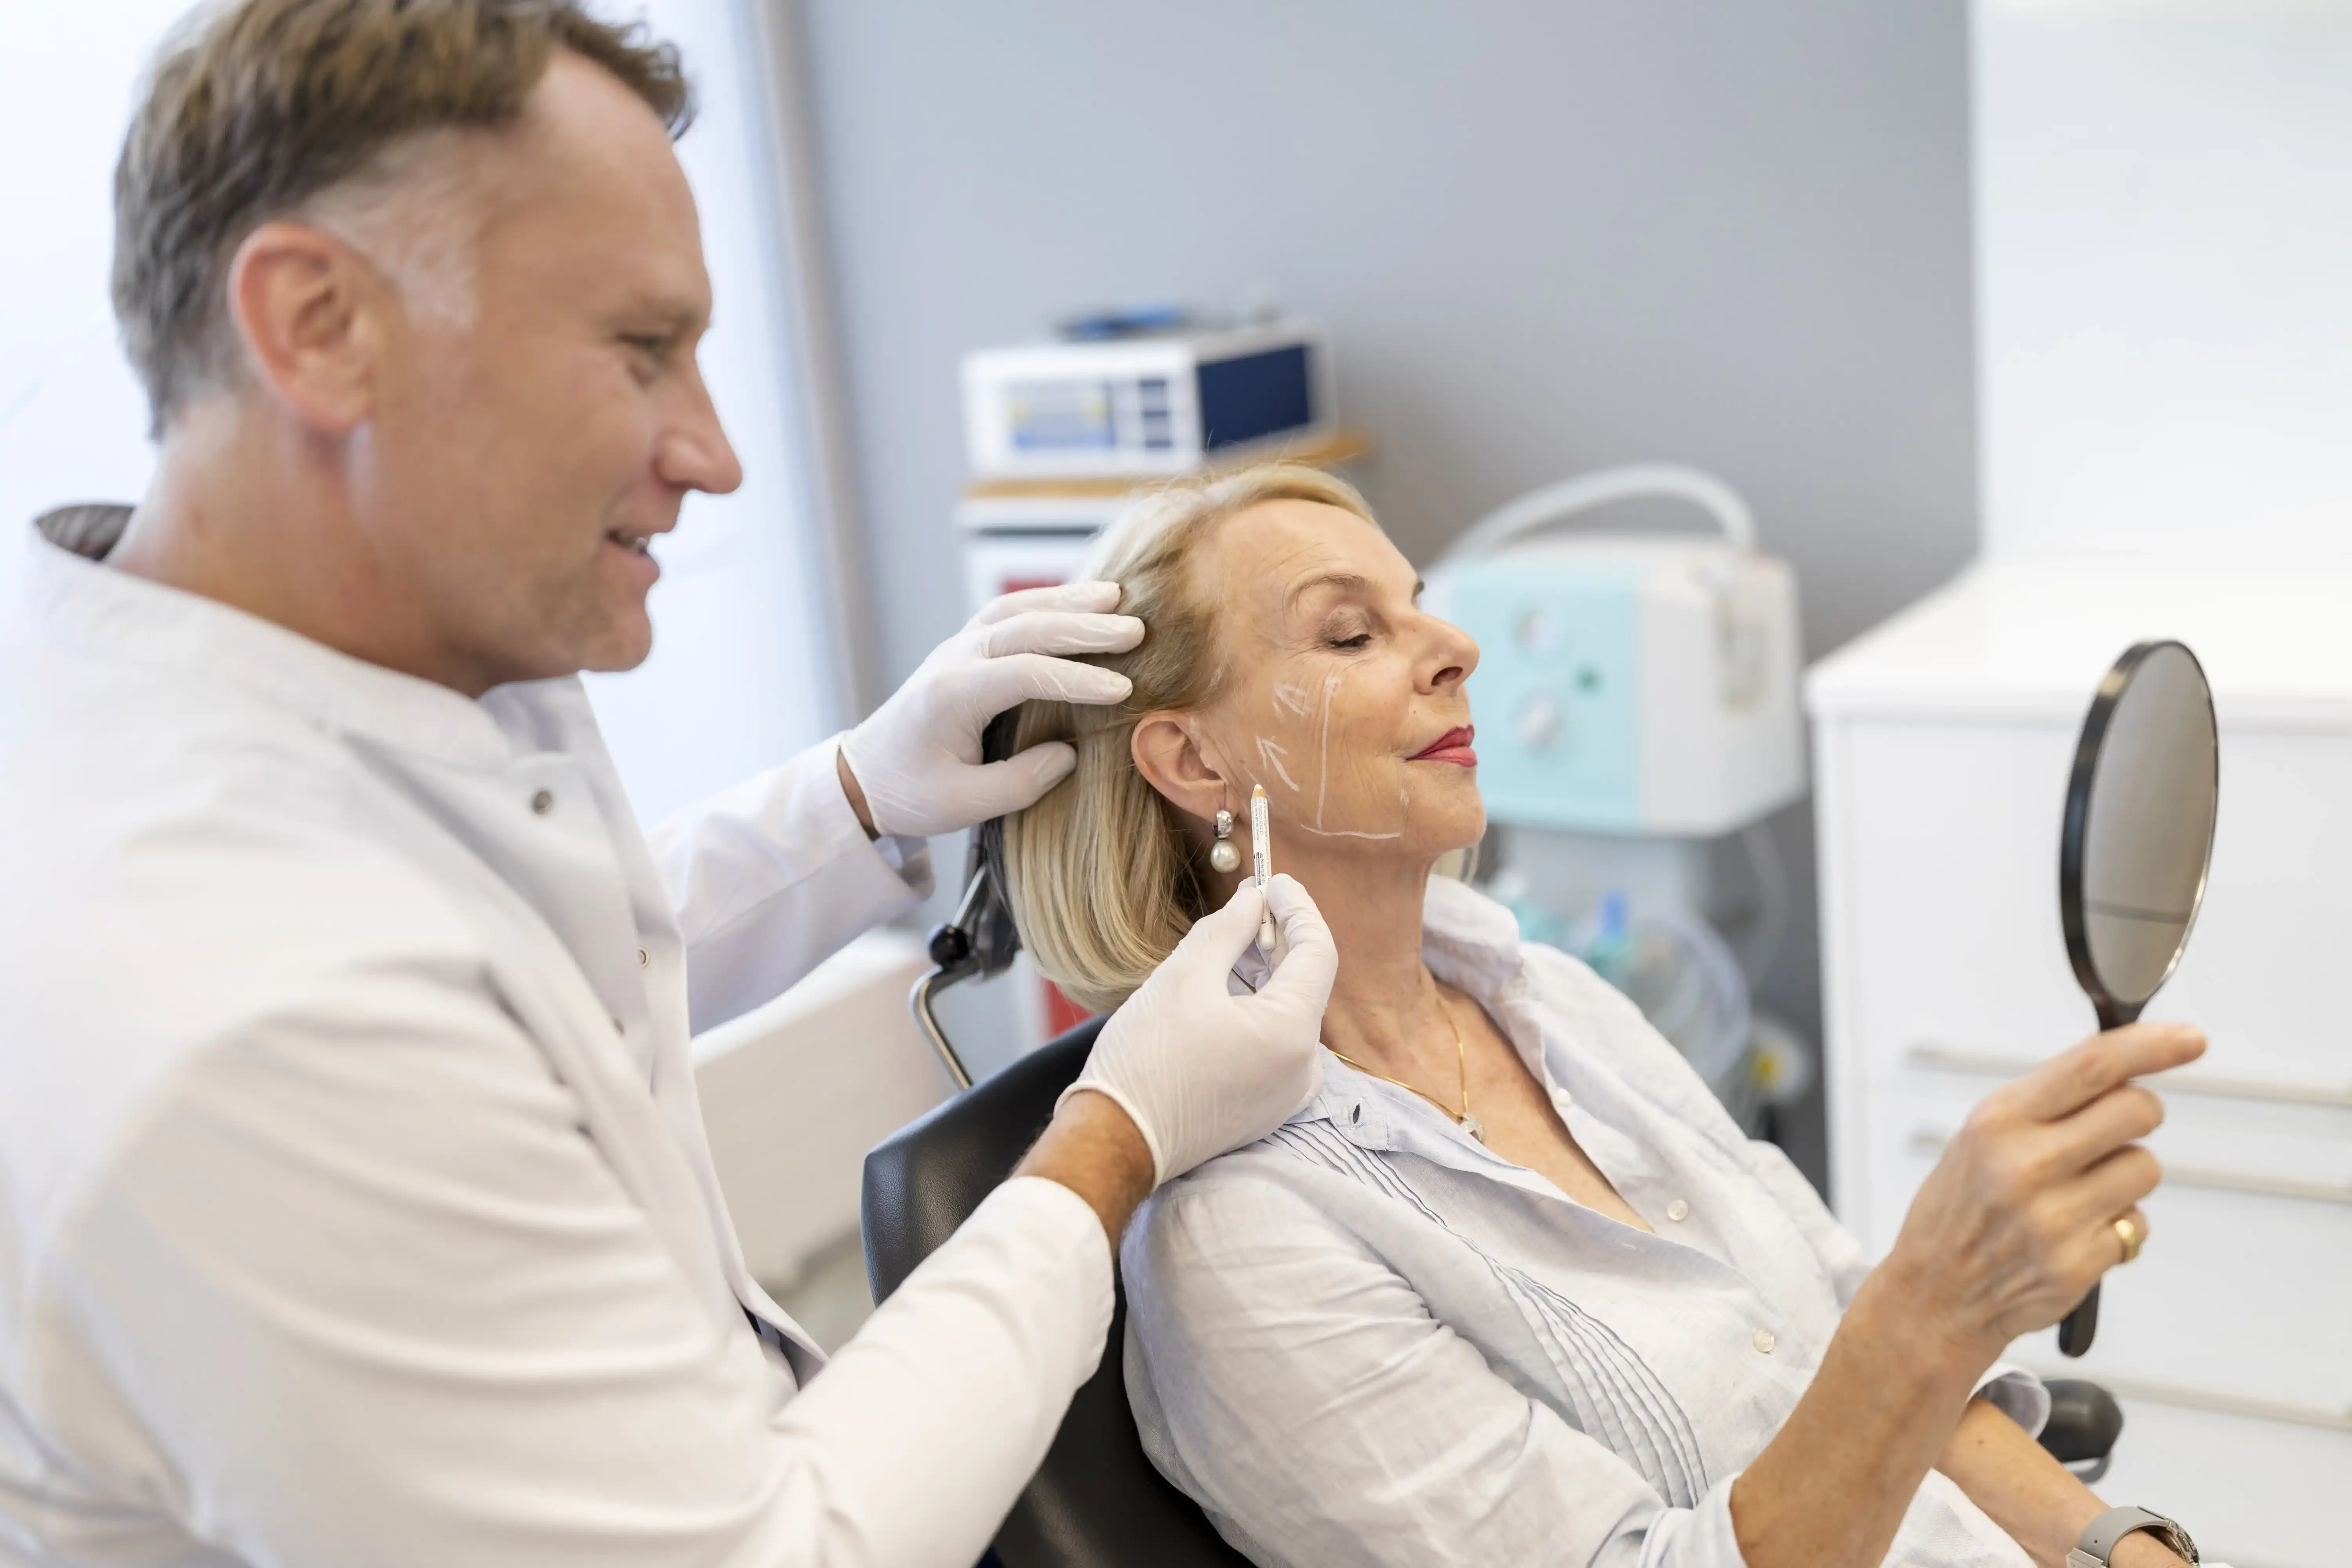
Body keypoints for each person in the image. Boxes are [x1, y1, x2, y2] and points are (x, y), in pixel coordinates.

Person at [0, 6, 1338, 1566]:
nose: (715, 454)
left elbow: (548, 964)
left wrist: (859, 799)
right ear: (316, 323)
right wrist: (1115, 1131)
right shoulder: (238, 1005)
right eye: (641, 350)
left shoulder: (396, 649)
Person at [998, 464, 2210, 1568]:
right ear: (1198, 765)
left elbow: (1833, 1322)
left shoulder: (1542, 997)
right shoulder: (1240, 1235)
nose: (1454, 646)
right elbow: (1873, 1361)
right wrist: (1932, 1309)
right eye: (1353, 632)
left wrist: (2116, 1547)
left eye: (1421, 603)